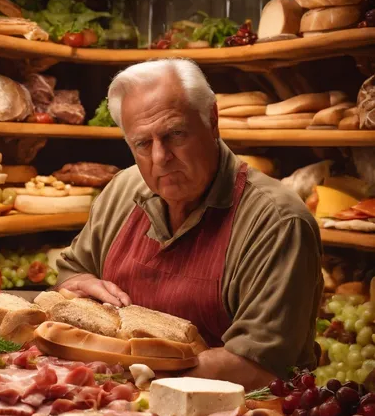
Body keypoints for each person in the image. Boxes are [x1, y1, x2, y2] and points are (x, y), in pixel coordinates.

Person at [55, 59, 323, 389]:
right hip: (124, 402)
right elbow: (70, 274)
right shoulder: (123, 190)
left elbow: (259, 366)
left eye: (175, 134)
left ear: (212, 121)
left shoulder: (277, 222)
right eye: (142, 143)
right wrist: (76, 285)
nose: (159, 158)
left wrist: (136, 377)